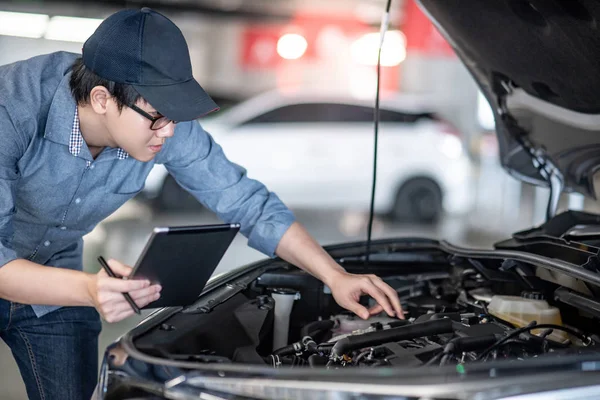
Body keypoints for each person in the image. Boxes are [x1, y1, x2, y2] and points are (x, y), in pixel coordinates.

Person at [0, 7, 403, 399]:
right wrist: (91, 289)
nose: (170, 132)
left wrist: (334, 276)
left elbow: (246, 202)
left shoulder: (162, 123)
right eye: (158, 116)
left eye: (175, 115)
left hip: (56, 278)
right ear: (102, 98)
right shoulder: (13, 109)